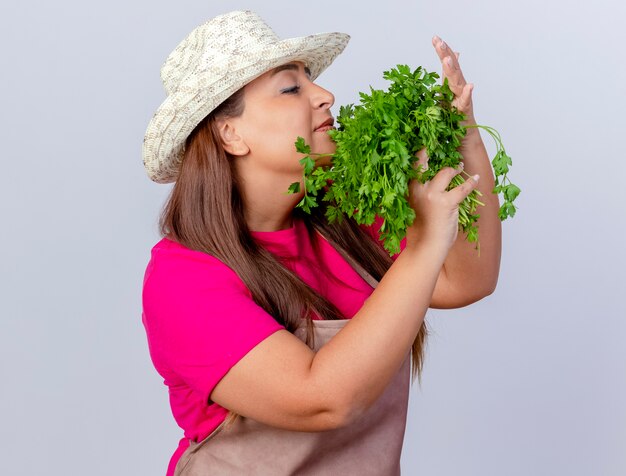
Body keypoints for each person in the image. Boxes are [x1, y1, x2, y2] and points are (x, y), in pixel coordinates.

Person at [141, 10, 501, 476]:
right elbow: (323, 399)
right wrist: (426, 240)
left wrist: (466, 135)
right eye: (291, 88)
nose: (325, 95)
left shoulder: (341, 221)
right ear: (231, 133)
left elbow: (469, 279)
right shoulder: (183, 278)